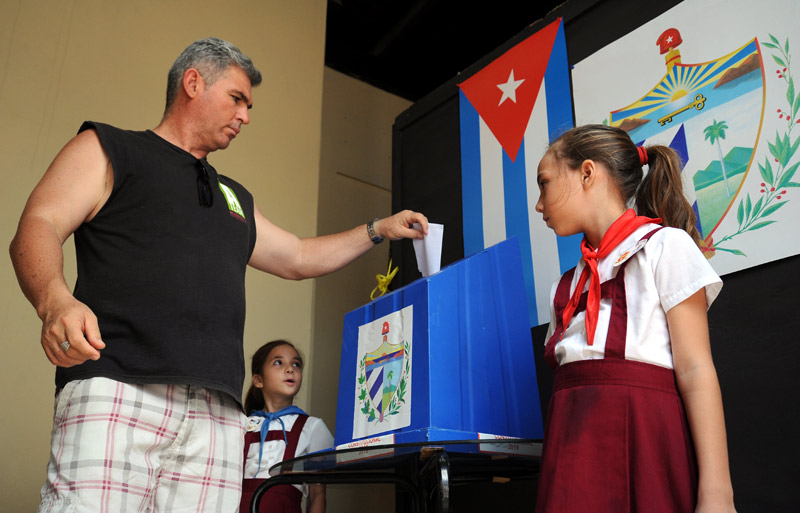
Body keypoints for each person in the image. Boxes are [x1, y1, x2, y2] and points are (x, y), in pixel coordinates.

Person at [9, 37, 427, 513]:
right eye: (237, 99)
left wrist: (378, 229)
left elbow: (297, 256)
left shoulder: (234, 197)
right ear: (193, 83)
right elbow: (38, 224)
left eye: (249, 105)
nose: (246, 115)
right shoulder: (109, 148)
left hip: (218, 414)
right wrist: (54, 300)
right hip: (118, 386)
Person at [533, 125, 736, 513]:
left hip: (646, 446)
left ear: (587, 173)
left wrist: (717, 493)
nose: (539, 205)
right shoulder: (566, 287)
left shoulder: (666, 246)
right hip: (570, 459)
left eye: (544, 183)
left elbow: (695, 370)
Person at [239, 340, 332, 513]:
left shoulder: (312, 427)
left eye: (296, 364)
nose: (290, 369)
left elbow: (317, 494)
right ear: (259, 380)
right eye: (278, 362)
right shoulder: (242, 425)